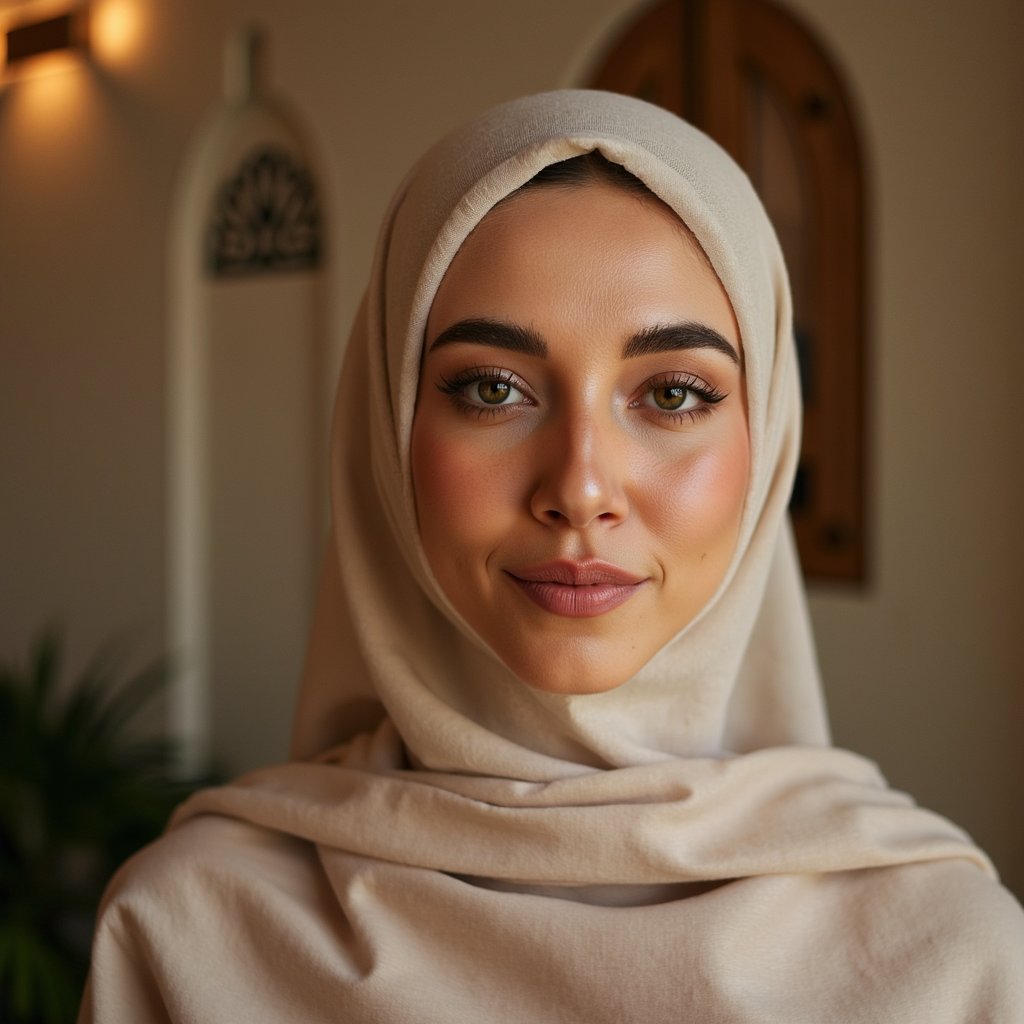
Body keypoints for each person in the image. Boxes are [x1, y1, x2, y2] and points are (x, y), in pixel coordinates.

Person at [79, 90, 1024, 1022]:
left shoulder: (953, 965)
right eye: (493, 388)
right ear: (387, 429)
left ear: (768, 442)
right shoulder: (189, 939)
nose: (580, 487)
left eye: (676, 394)